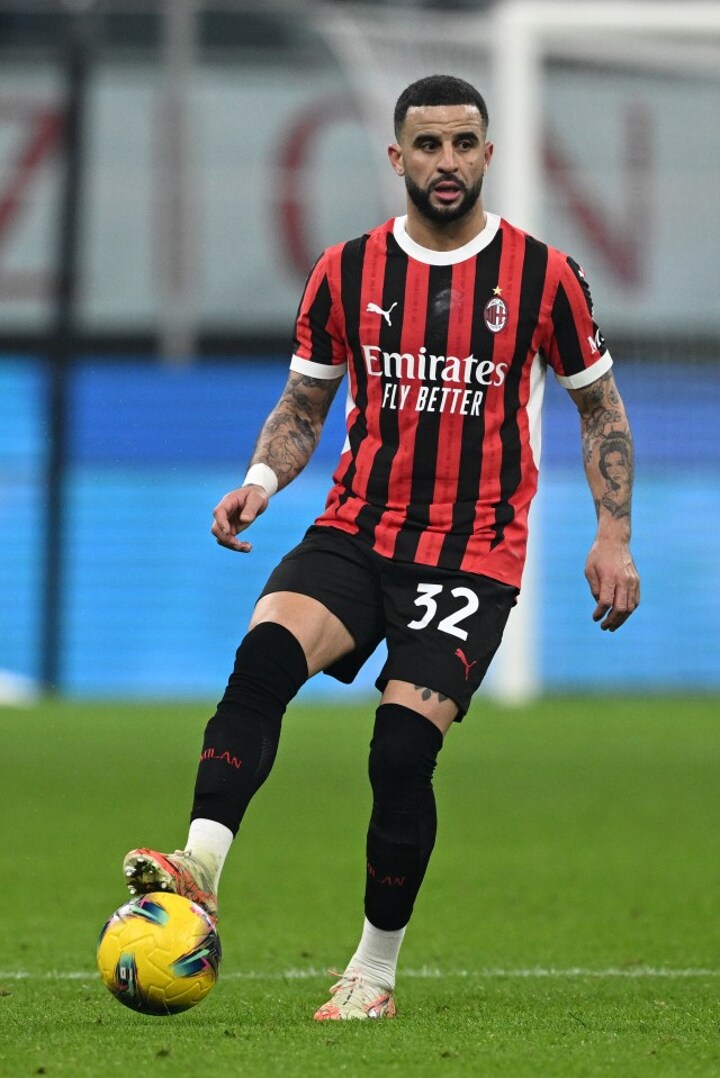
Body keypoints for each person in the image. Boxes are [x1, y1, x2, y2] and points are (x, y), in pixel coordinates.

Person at [123, 74, 640, 1020]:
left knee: (401, 752)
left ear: (488, 154)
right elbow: (305, 401)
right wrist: (261, 480)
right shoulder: (345, 271)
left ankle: (373, 971)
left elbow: (598, 405)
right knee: (262, 660)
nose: (448, 162)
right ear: (397, 156)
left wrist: (614, 533)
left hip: (471, 553)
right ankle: (198, 866)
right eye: (428, 145)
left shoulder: (543, 276)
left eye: (464, 144)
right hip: (357, 530)